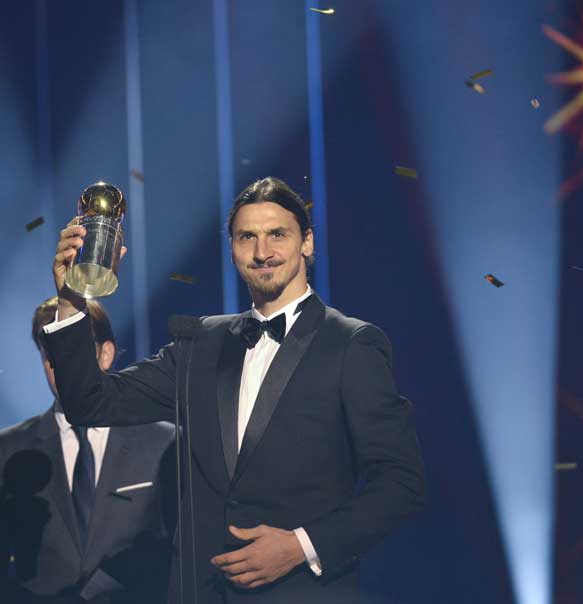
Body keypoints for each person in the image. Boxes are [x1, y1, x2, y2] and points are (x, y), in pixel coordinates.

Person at [41, 177, 427, 603]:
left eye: (277, 234)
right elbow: (90, 403)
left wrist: (301, 545)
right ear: (232, 248)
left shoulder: (352, 344)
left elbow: (400, 483)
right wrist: (72, 300)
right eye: (248, 237)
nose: (263, 253)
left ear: (307, 243)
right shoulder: (202, 343)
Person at [0, 297, 176, 603]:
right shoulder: (9, 450)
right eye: (51, 356)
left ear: (105, 354)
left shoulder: (164, 443)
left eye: (73, 352)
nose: (61, 366)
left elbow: (181, 547)